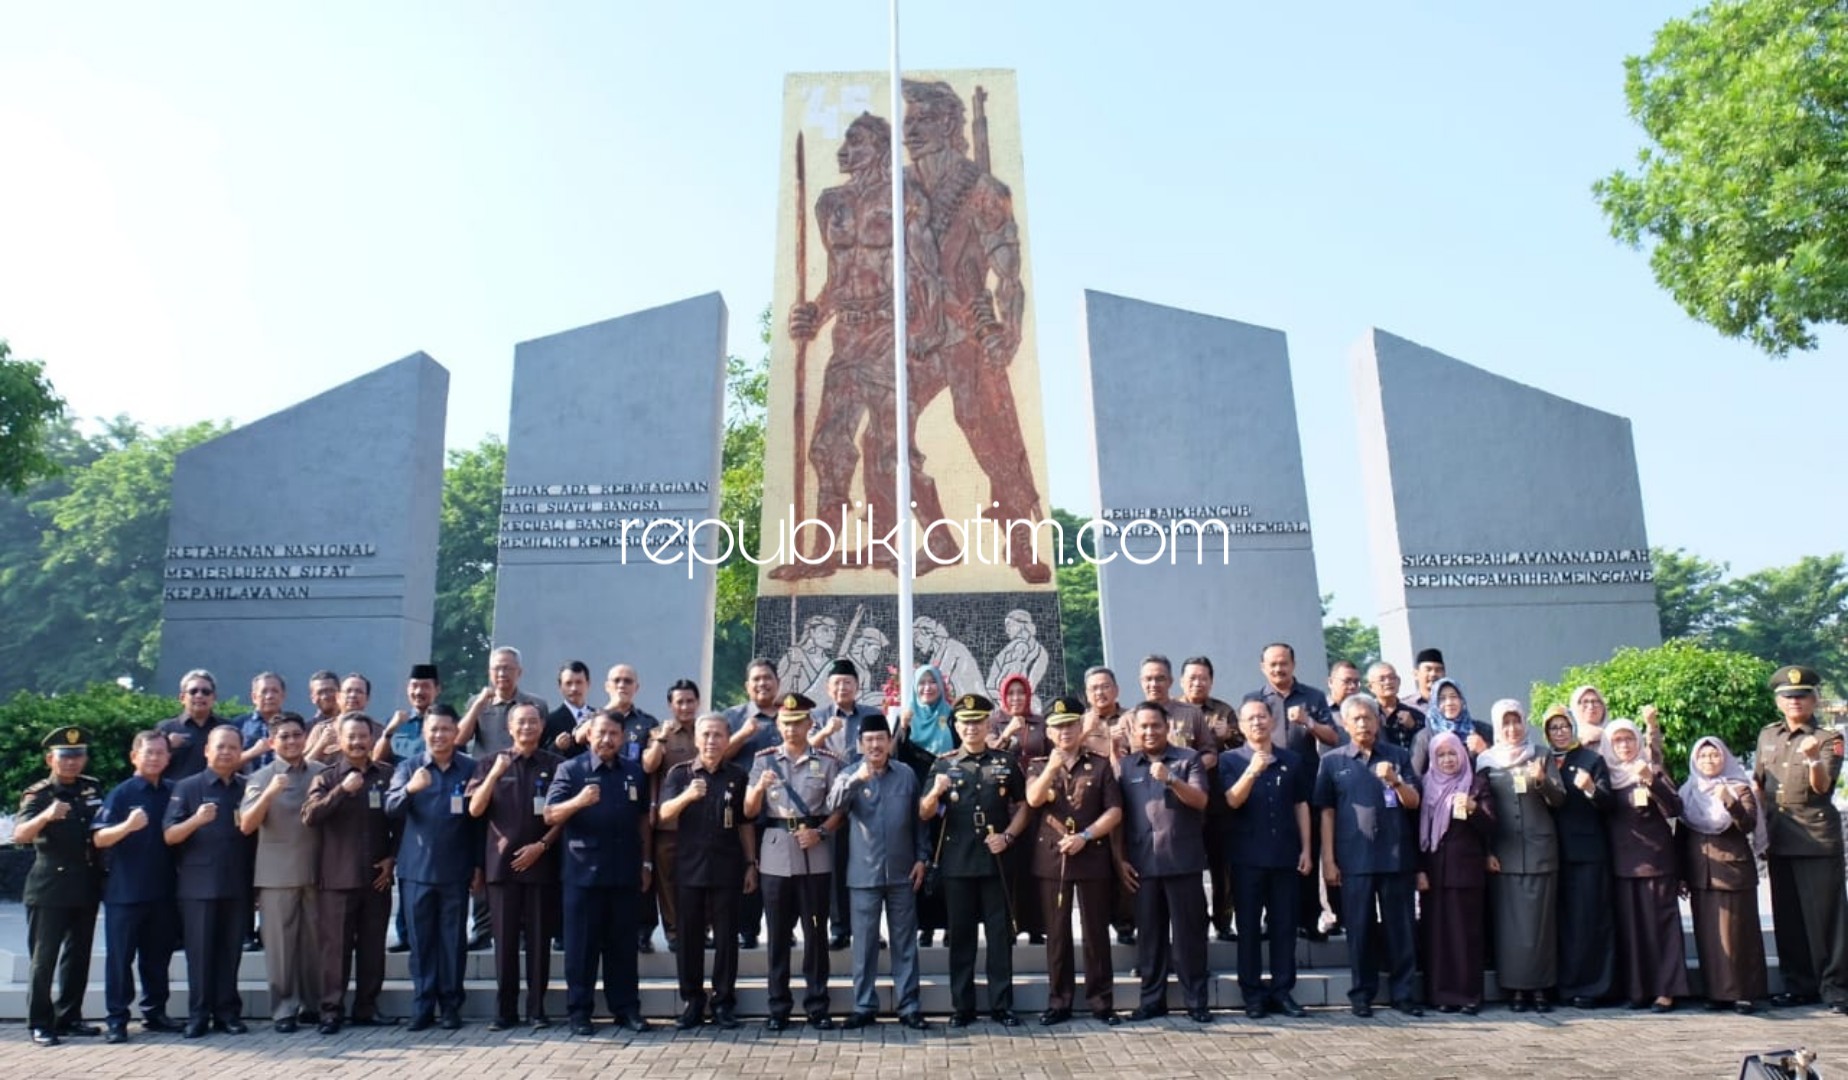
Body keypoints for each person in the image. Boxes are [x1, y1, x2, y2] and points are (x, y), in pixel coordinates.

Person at [778, 108, 951, 581]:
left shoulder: (904, 195)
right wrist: (813, 315)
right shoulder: (829, 204)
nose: (844, 151)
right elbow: (837, 280)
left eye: (856, 142)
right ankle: (821, 551)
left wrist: (926, 329)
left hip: (889, 333)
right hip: (848, 337)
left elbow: (925, 268)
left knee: (892, 449)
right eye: (844, 142)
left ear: (879, 148)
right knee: (827, 446)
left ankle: (940, 541)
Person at [900, 79, 1051, 585]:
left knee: (987, 431)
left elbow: (1008, 274)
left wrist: (1009, 332)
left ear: (948, 123)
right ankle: (938, 539)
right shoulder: (895, 190)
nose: (910, 128)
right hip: (917, 335)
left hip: (967, 331)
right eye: (908, 119)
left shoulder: (982, 190)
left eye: (922, 118)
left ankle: (1019, 534)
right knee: (887, 435)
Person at [921, 693, 1030, 1027]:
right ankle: (962, 1006)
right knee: (961, 936)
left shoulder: (1005, 762)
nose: (971, 727)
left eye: (977, 721)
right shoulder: (943, 764)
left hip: (996, 860)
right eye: (965, 722)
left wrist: (1008, 836)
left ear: (987, 724)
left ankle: (1001, 1005)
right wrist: (935, 792)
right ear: (956, 726)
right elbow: (924, 812)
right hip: (958, 862)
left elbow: (1024, 806)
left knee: (999, 936)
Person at [544, 711, 652, 1035]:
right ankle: (579, 1012)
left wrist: (646, 863)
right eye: (601, 733)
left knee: (623, 947)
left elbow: (643, 820)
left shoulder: (633, 771)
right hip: (583, 874)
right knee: (581, 949)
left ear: (622, 738)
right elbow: (550, 814)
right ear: (589, 735)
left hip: (624, 872)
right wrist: (578, 801)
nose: (607, 739)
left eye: (613, 734)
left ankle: (626, 1009)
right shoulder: (570, 769)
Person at [1316, 694, 1422, 1018]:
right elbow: (1327, 813)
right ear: (1346, 724)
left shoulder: (1398, 755)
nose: (1363, 723)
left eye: (1368, 717)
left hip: (1395, 855)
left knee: (1400, 928)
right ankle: (1362, 994)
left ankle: (1404, 993)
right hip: (1354, 858)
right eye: (1356, 719)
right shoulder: (1332, 761)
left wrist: (1396, 780)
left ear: (1378, 722)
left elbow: (1414, 802)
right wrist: (1329, 860)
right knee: (1359, 929)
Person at [825, 713, 930, 1030]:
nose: (875, 745)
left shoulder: (906, 774)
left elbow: (919, 820)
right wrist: (858, 779)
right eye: (868, 740)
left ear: (889, 741)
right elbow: (833, 804)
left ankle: (909, 1005)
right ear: (859, 744)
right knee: (864, 945)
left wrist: (922, 858)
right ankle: (863, 1005)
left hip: (902, 872)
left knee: (904, 942)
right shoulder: (849, 773)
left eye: (880, 739)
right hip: (864, 874)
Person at [1024, 696, 1123, 1026]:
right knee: (1057, 933)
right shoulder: (1038, 765)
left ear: (1081, 727)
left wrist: (1087, 835)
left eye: (1070, 725)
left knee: (1095, 932)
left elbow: (1114, 810)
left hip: (1091, 853)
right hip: (1053, 857)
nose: (1065, 731)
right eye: (1057, 726)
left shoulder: (1100, 764)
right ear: (1048, 732)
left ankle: (1101, 1002)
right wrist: (1052, 768)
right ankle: (1059, 1001)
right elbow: (1033, 799)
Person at [746, 692, 843, 1032]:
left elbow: (839, 810)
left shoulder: (828, 761)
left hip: (814, 854)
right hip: (775, 853)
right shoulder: (764, 760)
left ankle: (817, 1004)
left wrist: (821, 832)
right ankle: (778, 1006)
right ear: (778, 725)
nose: (791, 729)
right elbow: (748, 810)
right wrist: (759, 788)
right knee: (777, 935)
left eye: (797, 722)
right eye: (785, 723)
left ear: (809, 723)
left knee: (815, 933)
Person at [1754, 663, 1848, 1011]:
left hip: (1815, 838)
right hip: (1779, 836)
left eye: (1802, 696)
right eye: (1788, 696)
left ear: (1814, 700)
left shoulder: (1828, 739)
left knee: (1827, 919)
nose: (1795, 701)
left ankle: (1836, 989)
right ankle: (1798, 985)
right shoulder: (1768, 736)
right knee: (1788, 918)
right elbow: (1759, 784)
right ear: (1778, 701)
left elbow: (1822, 788)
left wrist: (1812, 760)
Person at [466, 700, 564, 1030]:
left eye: (533, 721)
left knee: (539, 942)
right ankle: (504, 1011)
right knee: (505, 943)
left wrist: (542, 845)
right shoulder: (488, 763)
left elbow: (564, 816)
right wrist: (495, 774)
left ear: (542, 726)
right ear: (509, 727)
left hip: (542, 864)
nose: (527, 727)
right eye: (520, 722)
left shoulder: (555, 765)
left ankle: (536, 1009)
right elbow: (475, 810)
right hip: (502, 867)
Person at [302, 713, 400, 1034]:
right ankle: (331, 1011)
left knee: (373, 947)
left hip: (377, 878)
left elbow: (401, 822)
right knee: (335, 950)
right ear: (340, 741)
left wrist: (393, 858)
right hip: (337, 878)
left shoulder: (386, 775)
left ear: (372, 739)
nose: (357, 742)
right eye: (351, 737)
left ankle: (367, 1008)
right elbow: (310, 816)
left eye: (363, 736)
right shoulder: (327, 777)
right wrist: (342, 790)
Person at [659, 714, 759, 1030]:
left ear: (727, 739)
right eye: (706, 735)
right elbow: (663, 814)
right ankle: (692, 1001)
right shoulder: (680, 774)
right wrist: (687, 795)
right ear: (696, 739)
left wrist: (751, 864)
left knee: (727, 939)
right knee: (689, 939)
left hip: (727, 867)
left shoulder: (737, 775)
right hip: (689, 868)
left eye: (718, 735)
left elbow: (745, 823)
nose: (712, 741)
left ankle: (723, 1002)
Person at [1118, 700, 1213, 1023]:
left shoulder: (1189, 759)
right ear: (1134, 730)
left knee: (1189, 938)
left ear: (1167, 727)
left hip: (1182, 863)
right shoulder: (1126, 766)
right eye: (1143, 726)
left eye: (1155, 725)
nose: (1149, 731)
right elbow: (1119, 816)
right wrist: (1120, 859)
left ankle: (1196, 1002)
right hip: (1142, 865)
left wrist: (1171, 779)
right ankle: (1151, 1001)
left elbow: (1200, 801)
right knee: (1150, 939)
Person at [386, 707, 479, 1030]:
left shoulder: (469, 768)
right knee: (421, 942)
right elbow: (390, 808)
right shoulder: (409, 767)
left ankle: (451, 1006)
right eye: (433, 729)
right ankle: (423, 1006)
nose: (439, 735)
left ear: (456, 733)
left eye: (445, 729)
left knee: (453, 942)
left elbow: (479, 822)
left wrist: (477, 865)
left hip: (456, 870)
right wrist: (410, 789)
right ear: (424, 732)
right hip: (416, 871)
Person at [15, 725, 106, 1046]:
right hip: (49, 886)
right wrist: (46, 816)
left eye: (77, 756)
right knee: (44, 959)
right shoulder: (39, 794)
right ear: (50, 759)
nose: (71, 762)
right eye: (65, 756)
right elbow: (20, 835)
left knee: (78, 956)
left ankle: (69, 1016)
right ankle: (40, 1022)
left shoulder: (91, 788)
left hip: (85, 883)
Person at [162, 725, 255, 1038]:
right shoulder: (188, 787)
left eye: (233, 747)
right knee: (200, 954)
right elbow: (170, 835)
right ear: (206, 751)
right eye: (220, 746)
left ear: (240, 752)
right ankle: (199, 1014)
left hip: (237, 882)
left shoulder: (247, 787)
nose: (226, 752)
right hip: (198, 885)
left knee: (231, 952)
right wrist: (196, 820)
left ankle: (227, 1013)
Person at [1222, 700, 1311, 1019]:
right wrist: (1252, 771)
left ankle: (1282, 991)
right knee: (1248, 928)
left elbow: (1301, 804)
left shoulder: (1292, 760)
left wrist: (1306, 849)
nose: (1257, 723)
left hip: (1285, 855)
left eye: (1262, 717)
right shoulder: (1230, 760)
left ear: (1272, 721)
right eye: (1250, 719)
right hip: (1247, 858)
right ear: (1241, 726)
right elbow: (1231, 800)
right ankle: (1252, 994)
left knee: (1284, 926)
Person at [92, 730, 182, 1042]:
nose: (155, 758)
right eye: (149, 753)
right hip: (125, 892)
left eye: (160, 753)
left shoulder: (174, 791)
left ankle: (155, 1012)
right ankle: (117, 1019)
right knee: (120, 959)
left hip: (163, 890)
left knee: (157, 958)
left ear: (168, 758)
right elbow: (99, 838)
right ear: (134, 757)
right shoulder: (122, 793)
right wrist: (127, 826)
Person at [1245, 643, 1339, 942]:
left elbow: (1333, 737)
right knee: (1269, 852)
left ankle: (1309, 919)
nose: (1278, 668)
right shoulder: (1254, 700)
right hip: (1266, 786)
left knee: (1307, 850)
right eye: (1272, 664)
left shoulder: (1313, 697)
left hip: (1305, 784)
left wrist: (1308, 722)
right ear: (1263, 667)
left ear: (1293, 664)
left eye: (1283, 663)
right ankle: (1270, 919)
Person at [238, 713, 324, 1033]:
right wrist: (270, 793)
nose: (291, 741)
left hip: (316, 870)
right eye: (284, 736)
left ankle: (313, 1005)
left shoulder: (320, 772)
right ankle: (284, 1010)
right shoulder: (260, 778)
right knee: (281, 948)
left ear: (306, 737)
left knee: (314, 945)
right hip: (276, 875)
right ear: (272, 742)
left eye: (296, 735)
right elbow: (246, 825)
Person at [1478, 699, 1563, 1013]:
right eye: (1506, 723)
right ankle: (1515, 989)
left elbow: (1559, 799)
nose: (1512, 729)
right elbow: (1482, 809)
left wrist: (1541, 780)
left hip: (1541, 851)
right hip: (1504, 854)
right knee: (1510, 927)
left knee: (1541, 927)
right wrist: (1487, 851)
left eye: (1516, 722)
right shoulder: (1486, 761)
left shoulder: (1540, 754)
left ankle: (1540, 989)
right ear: (1497, 727)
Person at [1601, 714, 1688, 1011]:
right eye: (1617, 741)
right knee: (1633, 930)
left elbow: (1675, 807)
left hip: (1655, 861)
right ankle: (1638, 990)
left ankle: (1666, 990)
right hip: (1622, 862)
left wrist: (1651, 780)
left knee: (1661, 926)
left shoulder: (1651, 768)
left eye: (1628, 739)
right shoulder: (1607, 775)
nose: (1624, 745)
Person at [1679, 735, 1768, 1013]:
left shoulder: (1739, 788)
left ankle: (1744, 993)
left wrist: (1730, 801)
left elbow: (1748, 824)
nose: (1709, 760)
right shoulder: (1688, 791)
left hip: (1733, 872)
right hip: (1701, 874)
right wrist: (1680, 875)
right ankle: (1716, 992)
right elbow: (1681, 836)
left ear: (1725, 758)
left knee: (1739, 935)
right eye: (1703, 756)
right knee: (1710, 937)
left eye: (1715, 755)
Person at [1540, 702, 1616, 1008]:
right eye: (1553, 728)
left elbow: (1609, 803)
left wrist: (1590, 789)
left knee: (1589, 921)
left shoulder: (1591, 760)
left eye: (1564, 726)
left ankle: (1593, 987)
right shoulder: (1542, 760)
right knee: (1562, 924)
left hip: (1586, 853)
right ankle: (1563, 986)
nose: (1560, 733)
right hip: (1551, 853)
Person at [1414, 730, 1492, 1014]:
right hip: (1433, 873)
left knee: (1466, 935)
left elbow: (1493, 825)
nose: (1447, 760)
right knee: (1437, 936)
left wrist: (1474, 809)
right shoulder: (1424, 786)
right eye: (1441, 755)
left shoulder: (1476, 784)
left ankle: (1469, 995)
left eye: (1452, 753)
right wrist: (1419, 869)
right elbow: (1414, 831)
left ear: (1461, 754)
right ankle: (1440, 995)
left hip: (1465, 873)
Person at [812, 658, 882, 949]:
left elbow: (885, 748)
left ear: (857, 685)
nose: (843, 687)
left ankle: (871, 928)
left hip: (869, 797)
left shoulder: (872, 714)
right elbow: (804, 750)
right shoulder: (818, 716)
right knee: (838, 864)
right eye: (837, 683)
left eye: (848, 682)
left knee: (871, 864)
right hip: (835, 799)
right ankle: (840, 927)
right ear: (828, 688)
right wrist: (826, 732)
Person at [1180, 656, 1241, 944]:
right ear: (1182, 681)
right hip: (1184, 803)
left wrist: (1227, 736)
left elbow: (1243, 748)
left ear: (1211, 681)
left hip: (1217, 801)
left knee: (1222, 866)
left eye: (1203, 677)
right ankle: (1194, 922)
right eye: (1192, 677)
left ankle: (1223, 921)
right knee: (1188, 866)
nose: (1197, 682)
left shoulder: (1224, 711)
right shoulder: (1172, 711)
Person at [722, 659, 781, 949]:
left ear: (777, 683)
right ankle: (747, 929)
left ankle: (783, 929)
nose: (762, 683)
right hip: (743, 810)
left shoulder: (790, 715)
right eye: (756, 679)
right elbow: (716, 756)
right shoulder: (732, 717)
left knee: (781, 875)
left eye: (767, 678)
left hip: (783, 811)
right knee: (747, 869)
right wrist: (744, 734)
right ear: (747, 685)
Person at [897, 663, 953, 947]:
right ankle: (925, 927)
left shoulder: (951, 717)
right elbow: (894, 756)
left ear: (941, 687)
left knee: (948, 861)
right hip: (916, 801)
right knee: (920, 860)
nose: (927, 688)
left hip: (949, 801)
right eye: (922, 683)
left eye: (932, 682)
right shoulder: (906, 718)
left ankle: (950, 924)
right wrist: (902, 727)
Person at [643, 684, 702, 954]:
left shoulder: (706, 731)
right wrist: (661, 740)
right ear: (670, 705)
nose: (685, 707)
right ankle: (674, 931)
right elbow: (649, 766)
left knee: (699, 876)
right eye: (680, 702)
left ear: (698, 702)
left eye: (690, 701)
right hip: (670, 821)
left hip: (702, 819)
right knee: (667, 880)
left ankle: (701, 929)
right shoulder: (659, 733)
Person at [990, 671, 1045, 946]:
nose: (1016, 698)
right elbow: (989, 754)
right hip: (1005, 803)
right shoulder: (993, 722)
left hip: (1036, 802)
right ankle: (1009, 925)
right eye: (1010, 693)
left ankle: (1035, 926)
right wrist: (1008, 732)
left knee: (1033, 864)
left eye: (1020, 692)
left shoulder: (1040, 722)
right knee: (1008, 865)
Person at [1409, 677, 1489, 775]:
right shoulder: (1425, 737)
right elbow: (1414, 776)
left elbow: (1498, 769)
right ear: (1434, 703)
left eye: (1453, 696)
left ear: (1461, 700)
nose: (1449, 703)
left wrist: (1484, 751)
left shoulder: (1479, 730)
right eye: (1442, 699)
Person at [158, 668, 226, 781]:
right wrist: (167, 747)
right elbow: (151, 765)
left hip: (216, 790)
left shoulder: (226, 728)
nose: (199, 695)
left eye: (206, 692)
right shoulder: (166, 728)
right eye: (193, 691)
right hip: (175, 790)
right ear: (182, 698)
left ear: (214, 697)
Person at [374, 664, 442, 767]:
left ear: (437, 690)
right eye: (414, 686)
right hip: (399, 776)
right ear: (407, 689)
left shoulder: (446, 723)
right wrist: (389, 731)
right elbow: (377, 760)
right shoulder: (395, 722)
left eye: (425, 686)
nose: (418, 692)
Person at [1368, 662, 1425, 756]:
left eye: (1392, 678)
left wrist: (1413, 726)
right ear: (1371, 687)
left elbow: (1426, 742)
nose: (1388, 682)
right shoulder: (1368, 714)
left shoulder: (1414, 714)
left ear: (1398, 682)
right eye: (1382, 679)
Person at [235, 671, 287, 771]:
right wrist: (254, 752)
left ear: (283, 696)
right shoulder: (239, 725)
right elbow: (225, 765)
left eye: (275, 691)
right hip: (247, 780)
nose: (269, 696)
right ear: (254, 697)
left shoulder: (292, 725)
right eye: (264, 691)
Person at [543, 660, 597, 755]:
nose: (574, 688)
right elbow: (541, 755)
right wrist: (556, 746)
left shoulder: (598, 716)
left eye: (579, 682)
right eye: (568, 683)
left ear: (588, 684)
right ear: (560, 686)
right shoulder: (551, 720)